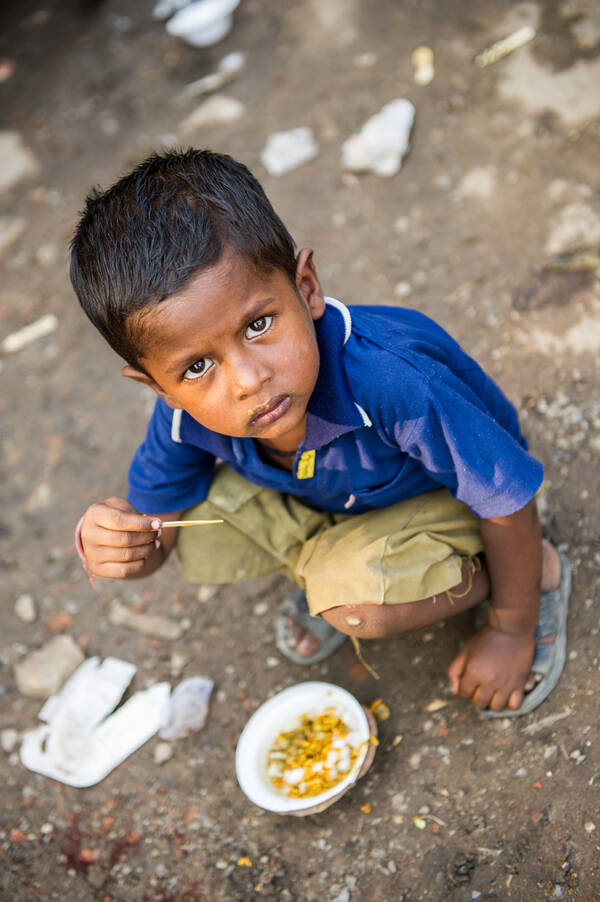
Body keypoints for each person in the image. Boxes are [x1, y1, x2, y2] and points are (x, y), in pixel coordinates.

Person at [71, 148, 571, 718]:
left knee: (358, 607)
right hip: (340, 501)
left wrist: (511, 630)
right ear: (158, 387)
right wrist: (122, 542)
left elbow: (506, 499)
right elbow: (157, 536)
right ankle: (333, 572)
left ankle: (535, 572)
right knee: (192, 526)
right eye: (196, 367)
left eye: (258, 325)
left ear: (307, 287)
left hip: (454, 499)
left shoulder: (392, 380)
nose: (249, 381)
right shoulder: (185, 418)